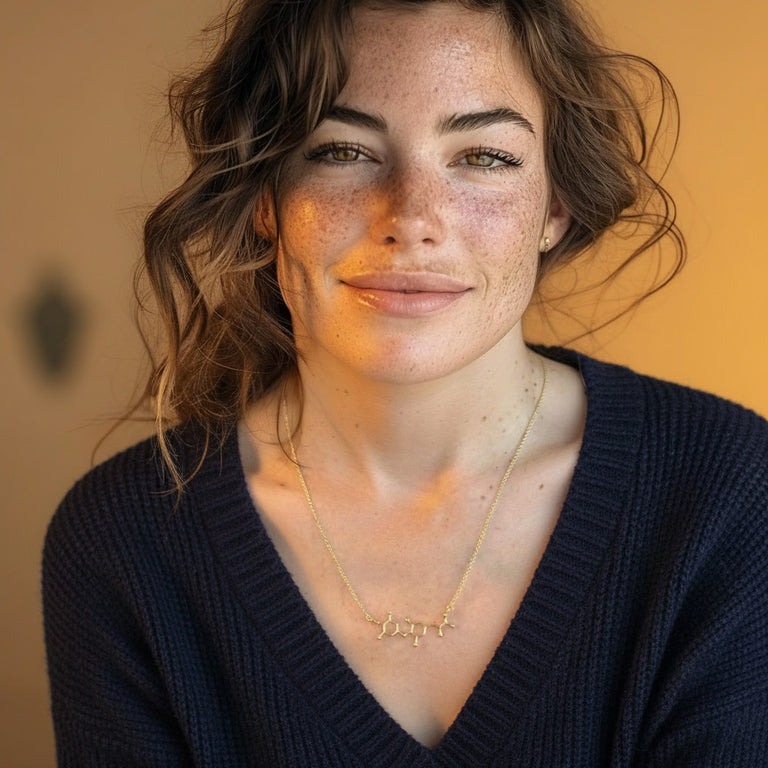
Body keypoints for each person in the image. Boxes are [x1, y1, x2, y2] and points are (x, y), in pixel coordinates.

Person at [42, 0, 768, 765]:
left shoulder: (726, 493)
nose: (412, 216)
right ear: (264, 198)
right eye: (341, 151)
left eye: (484, 157)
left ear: (555, 205)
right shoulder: (124, 540)